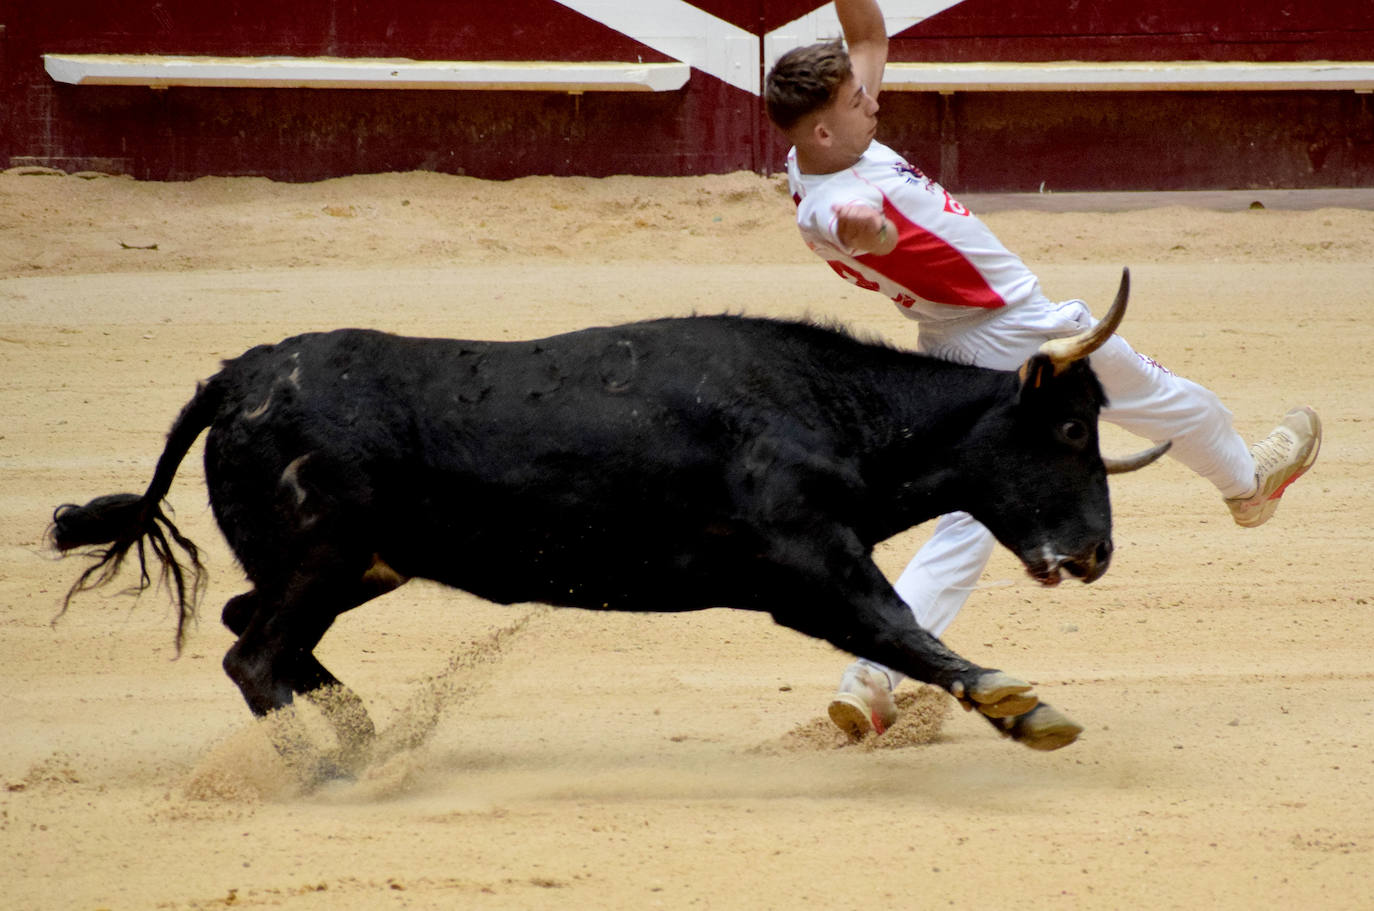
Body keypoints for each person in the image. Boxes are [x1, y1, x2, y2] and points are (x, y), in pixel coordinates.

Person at [764, 0, 1321, 749]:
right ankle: (1247, 488)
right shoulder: (831, 203)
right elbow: (854, 220)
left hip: (949, 348)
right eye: (858, 104)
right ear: (825, 129)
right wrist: (876, 232)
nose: (874, 103)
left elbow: (867, 35)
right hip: (1021, 334)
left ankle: (873, 671)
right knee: (1164, 398)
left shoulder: (817, 151)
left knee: (967, 520)